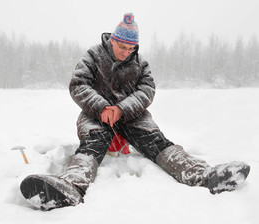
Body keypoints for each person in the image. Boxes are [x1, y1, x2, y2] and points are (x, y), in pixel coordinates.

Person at [20, 13, 250, 211]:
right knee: (93, 143)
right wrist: (102, 107)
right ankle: (70, 187)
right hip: (95, 114)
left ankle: (205, 176)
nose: (126, 52)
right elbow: (78, 84)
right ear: (113, 40)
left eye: (131, 48)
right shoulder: (92, 56)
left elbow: (147, 90)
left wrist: (122, 109)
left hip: (133, 115)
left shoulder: (141, 63)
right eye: (122, 46)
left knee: (157, 142)